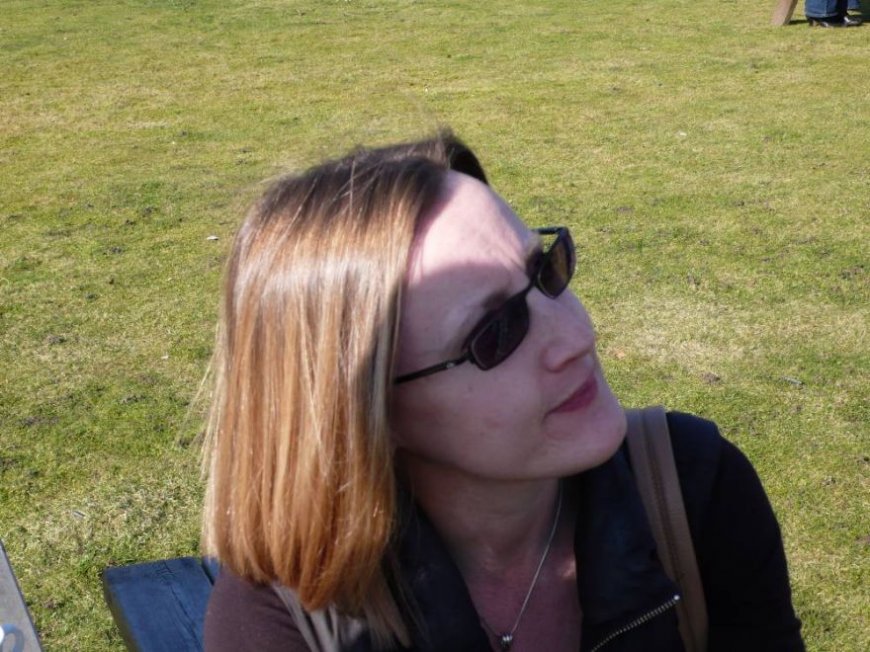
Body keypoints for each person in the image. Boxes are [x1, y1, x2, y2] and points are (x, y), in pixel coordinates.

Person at [202, 132, 805, 651]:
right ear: (364, 412)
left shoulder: (692, 490)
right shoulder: (291, 611)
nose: (578, 335)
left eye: (546, 270)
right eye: (496, 333)